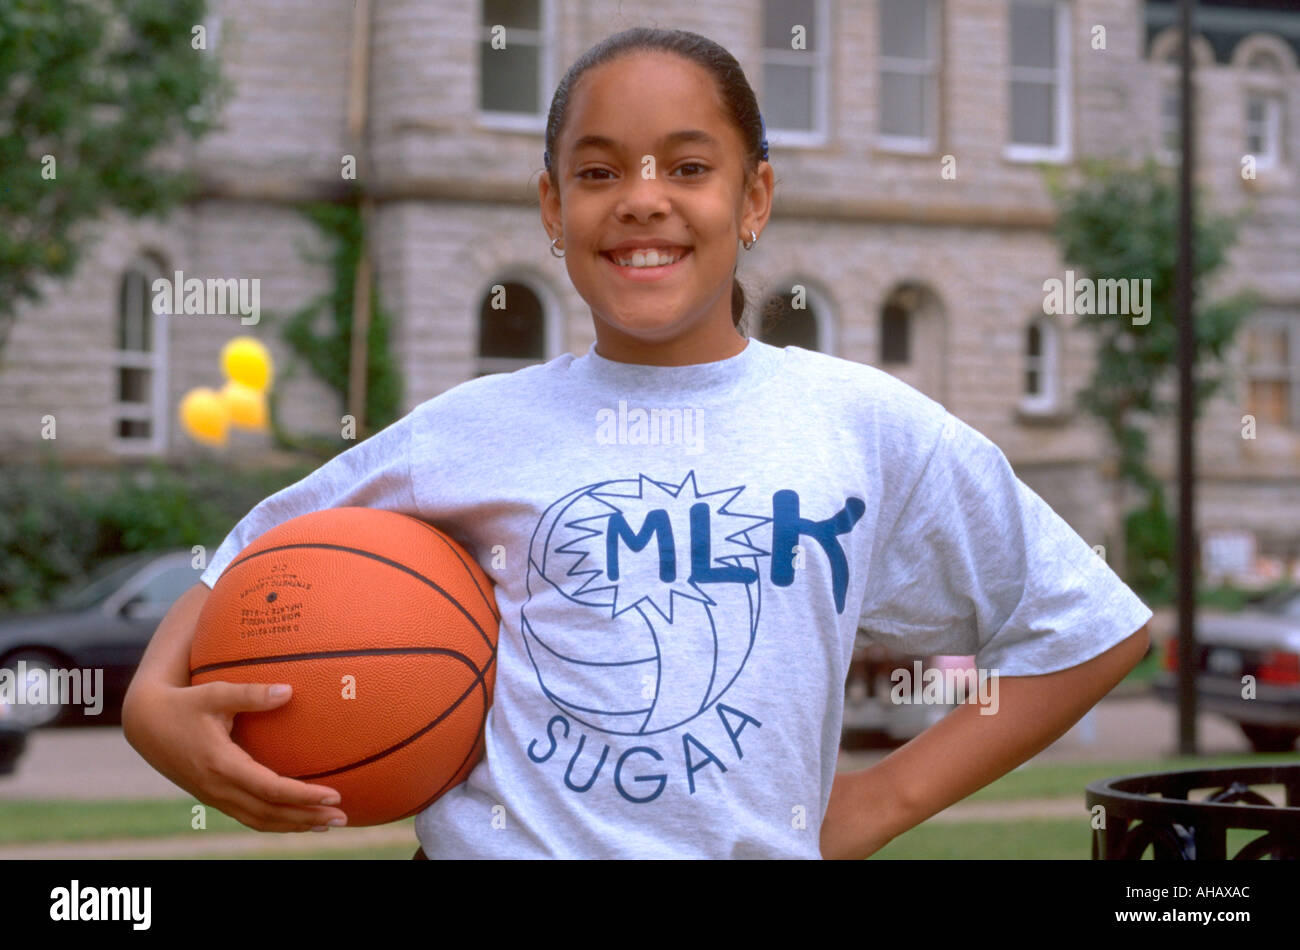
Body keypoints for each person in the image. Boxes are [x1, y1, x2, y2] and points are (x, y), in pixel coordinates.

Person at [123, 27, 1151, 859]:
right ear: (553, 209)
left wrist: (880, 800)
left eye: (689, 167)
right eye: (599, 170)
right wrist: (149, 706)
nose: (643, 197)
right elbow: (256, 546)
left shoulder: (860, 421)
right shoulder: (469, 428)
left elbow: (1090, 624)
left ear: (753, 199)